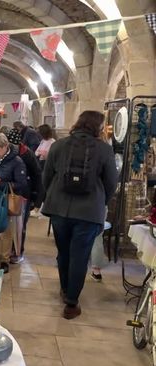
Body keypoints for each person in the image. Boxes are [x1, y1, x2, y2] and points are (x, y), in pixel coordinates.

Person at [42, 110, 117, 319]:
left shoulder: (58, 145)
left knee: (63, 252)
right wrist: (101, 201)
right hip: (88, 211)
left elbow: (46, 176)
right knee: (80, 256)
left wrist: (53, 195)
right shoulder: (104, 150)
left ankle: (65, 289)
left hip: (59, 209)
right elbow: (112, 182)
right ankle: (72, 303)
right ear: (97, 127)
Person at [0, 133, 29, 273]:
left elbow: (22, 185)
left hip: (5, 201)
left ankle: (4, 260)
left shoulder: (17, 161)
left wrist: (2, 184)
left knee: (3, 231)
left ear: (5, 147)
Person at [6, 129, 44, 263]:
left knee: (20, 225)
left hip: (23, 195)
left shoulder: (26, 154)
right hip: (8, 193)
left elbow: (37, 175)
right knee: (7, 224)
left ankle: (17, 251)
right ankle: (8, 250)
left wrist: (37, 198)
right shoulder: (6, 153)